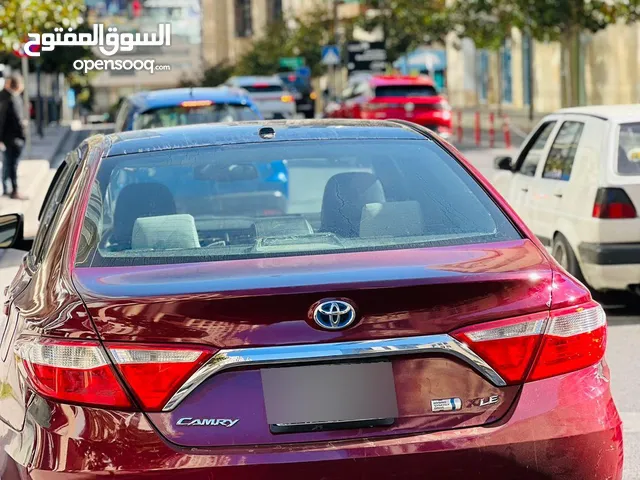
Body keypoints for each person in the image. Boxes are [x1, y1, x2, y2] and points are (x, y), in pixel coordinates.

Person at [0, 73, 27, 199]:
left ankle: (6, 188)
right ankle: (13, 190)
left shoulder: (5, 97)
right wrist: (23, 133)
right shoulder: (12, 99)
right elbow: (16, 120)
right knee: (12, 164)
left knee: (7, 163)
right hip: (14, 139)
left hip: (7, 138)